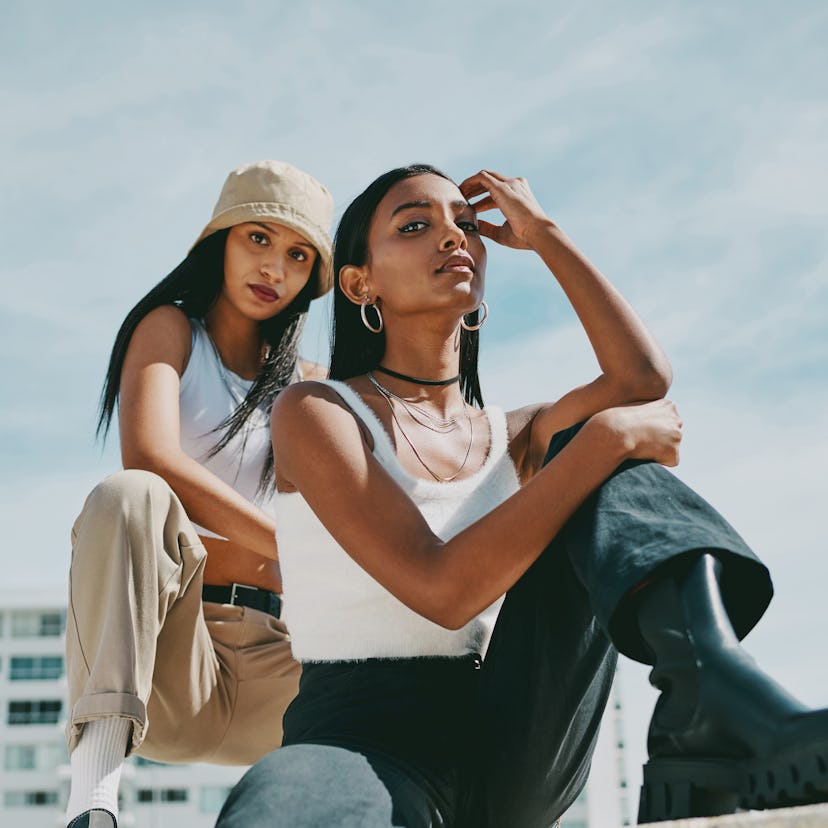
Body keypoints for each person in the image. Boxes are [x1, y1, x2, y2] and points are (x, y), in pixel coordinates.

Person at [216, 165, 828, 828]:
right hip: (362, 737)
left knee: (604, 459)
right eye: (416, 225)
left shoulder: (519, 434)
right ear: (362, 282)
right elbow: (441, 589)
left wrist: (545, 235)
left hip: (520, 737)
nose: (453, 238)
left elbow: (641, 377)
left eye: (467, 226)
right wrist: (599, 444)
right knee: (289, 798)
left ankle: (713, 694)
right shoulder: (317, 410)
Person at [64, 160, 334, 828]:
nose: (275, 268)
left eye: (298, 255)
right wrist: (281, 545)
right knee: (129, 496)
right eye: (259, 239)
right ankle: (93, 796)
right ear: (222, 241)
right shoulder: (170, 329)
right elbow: (150, 457)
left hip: (283, 669)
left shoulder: (313, 385)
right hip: (165, 669)